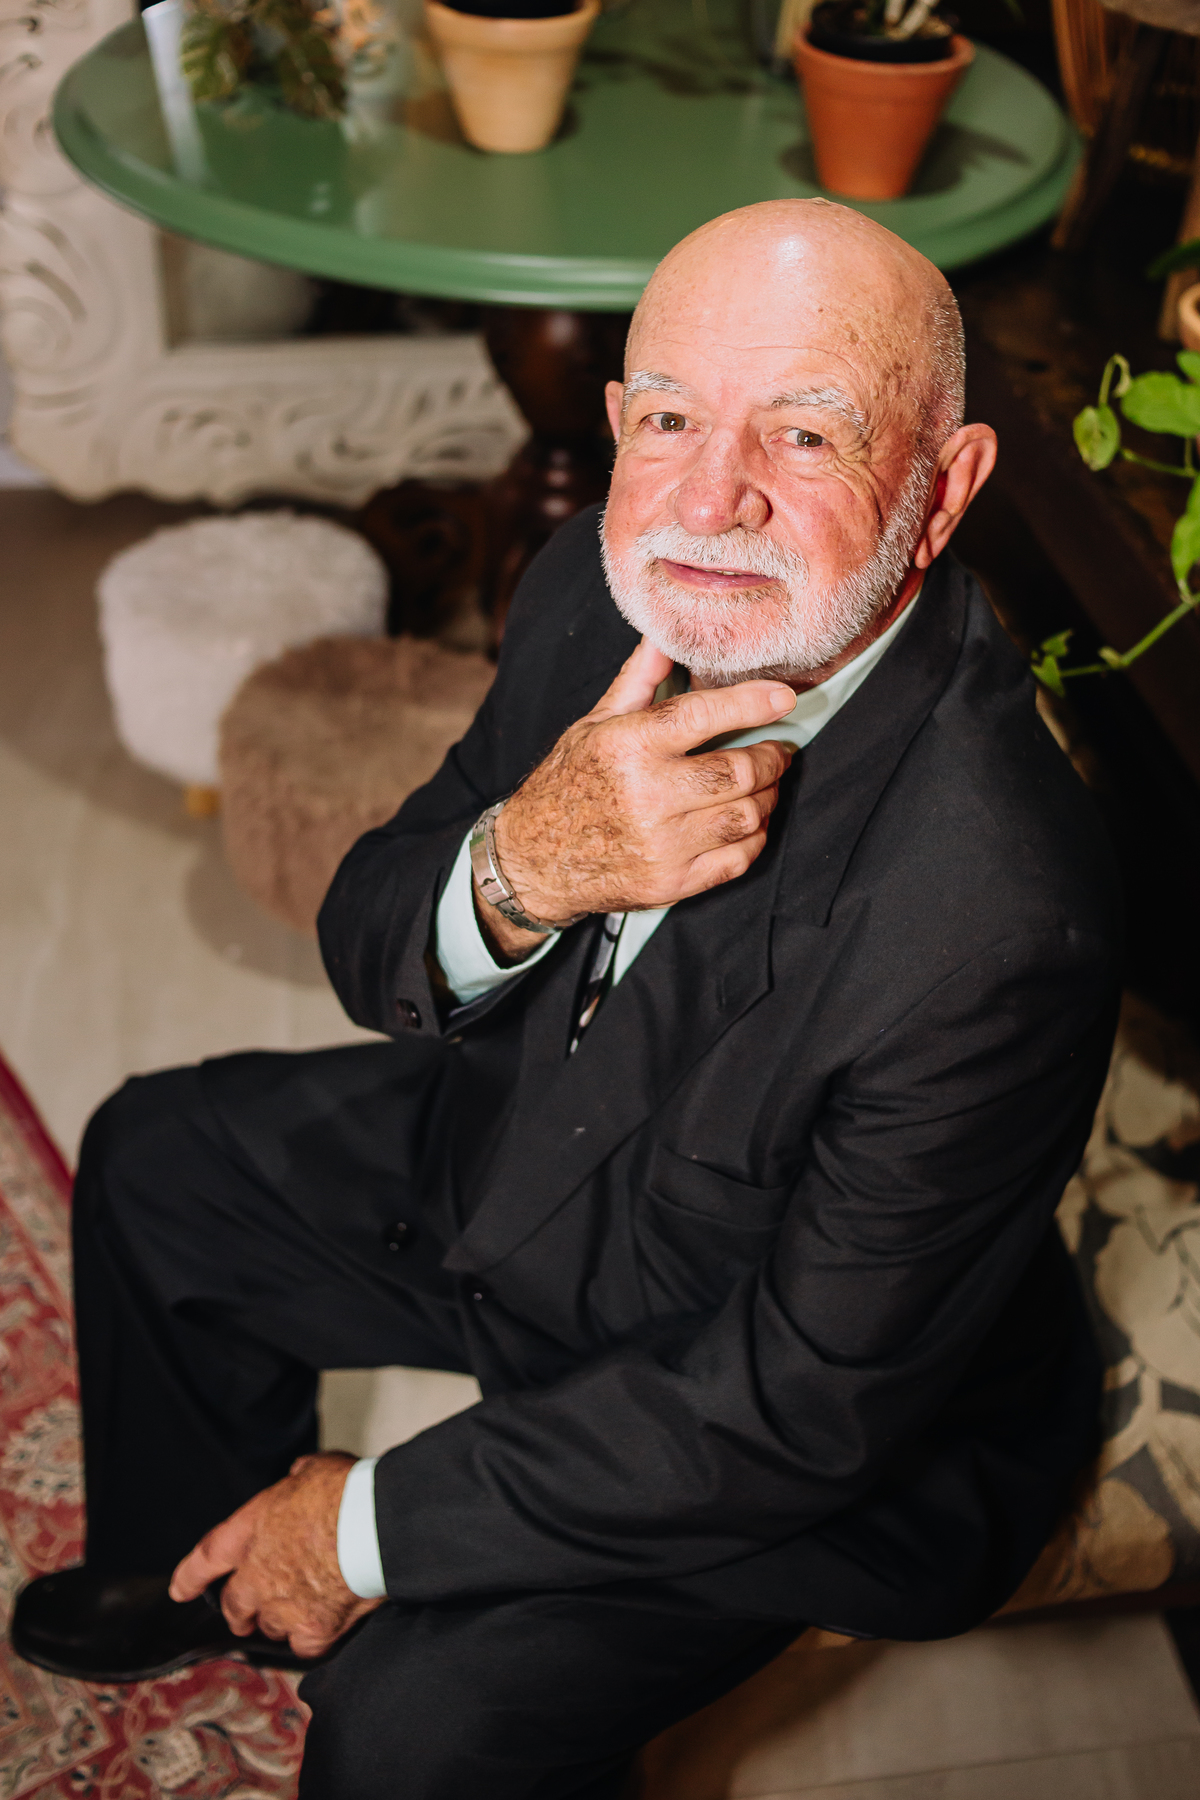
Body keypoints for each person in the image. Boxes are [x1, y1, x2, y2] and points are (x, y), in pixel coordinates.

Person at [13, 199, 1120, 1798]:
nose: (710, 499)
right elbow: (369, 931)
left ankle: (329, 1580)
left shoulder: (1004, 916)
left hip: (782, 1411)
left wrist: (365, 1527)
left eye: (807, 434)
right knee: (158, 1160)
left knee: (413, 1734)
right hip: (539, 1169)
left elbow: (791, 1408)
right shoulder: (604, 582)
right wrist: (520, 869)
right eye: (670, 419)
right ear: (615, 422)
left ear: (944, 487)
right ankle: (190, 1569)